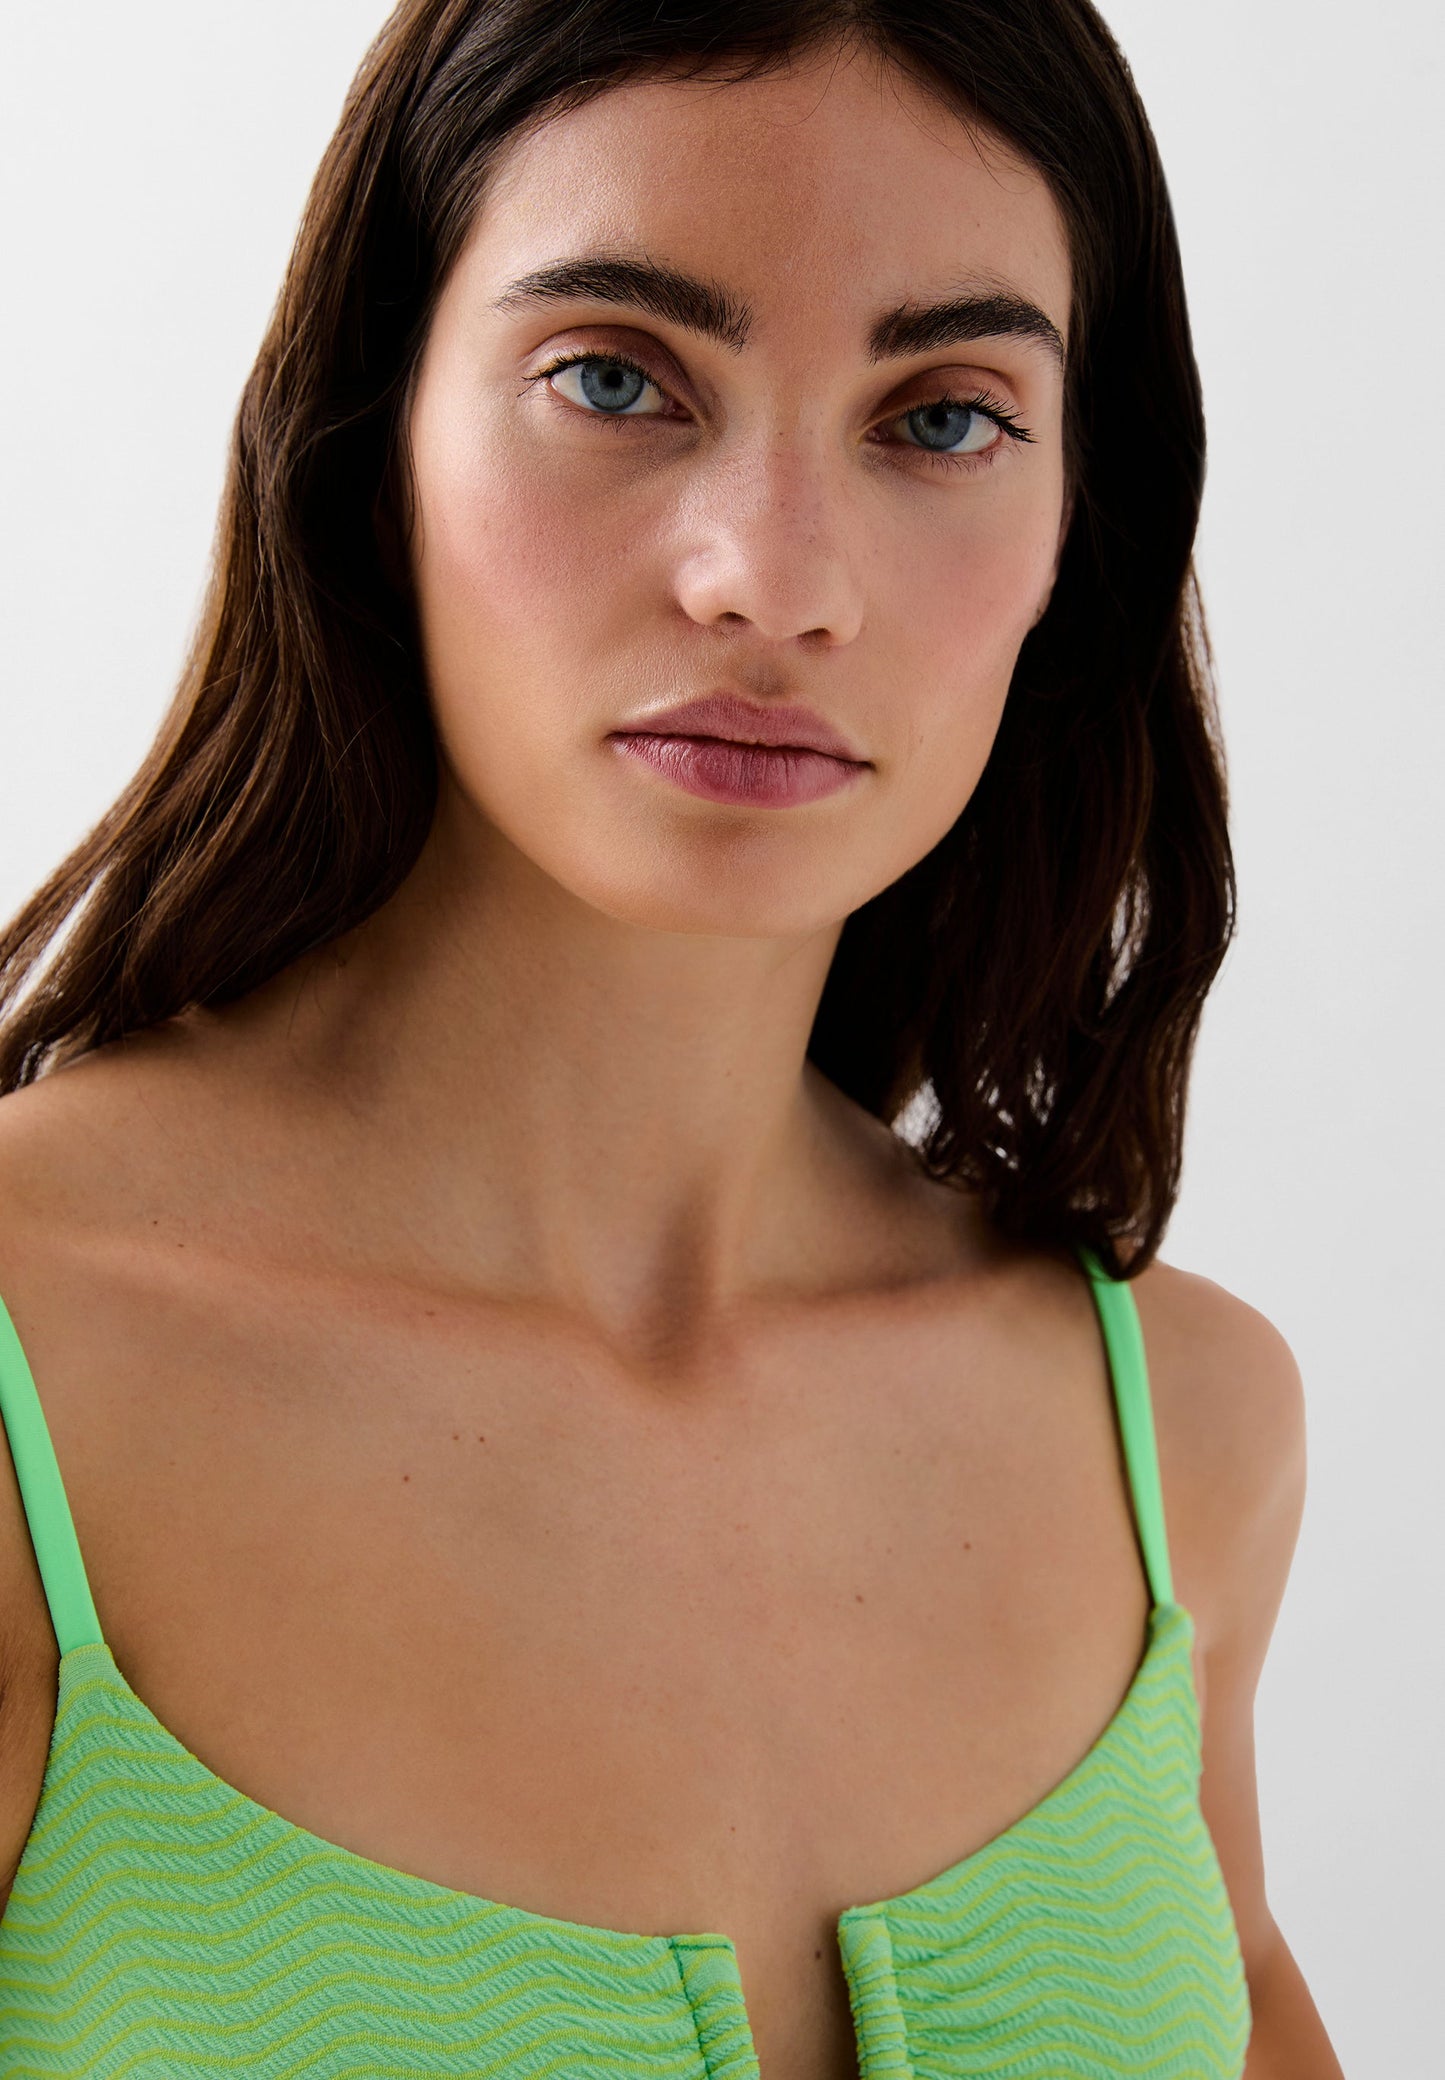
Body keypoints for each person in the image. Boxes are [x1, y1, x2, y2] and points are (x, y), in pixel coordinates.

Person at [0, 2, 1343, 2074]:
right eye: (615, 377)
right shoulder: (33, 1388)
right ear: (371, 437)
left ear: (1081, 528)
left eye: (944, 416)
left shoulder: (1176, 1437)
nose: (773, 581)